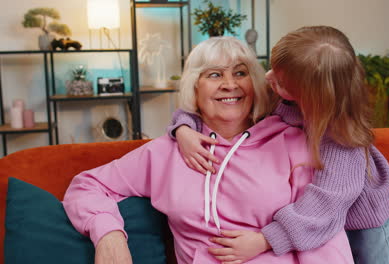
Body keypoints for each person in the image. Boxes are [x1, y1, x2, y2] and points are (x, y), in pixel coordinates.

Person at [170, 26, 389, 264]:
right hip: (325, 226)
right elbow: (219, 104)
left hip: (366, 219)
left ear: (311, 96)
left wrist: (263, 240)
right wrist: (183, 127)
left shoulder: (341, 142)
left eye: (278, 80)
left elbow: (322, 208)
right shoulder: (282, 92)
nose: (268, 78)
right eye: (272, 68)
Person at [62, 36, 354, 264]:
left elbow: (322, 232)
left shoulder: (294, 142)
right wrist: (109, 235)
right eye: (214, 75)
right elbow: (87, 186)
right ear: (194, 88)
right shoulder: (165, 152)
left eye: (240, 73)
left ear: (255, 84)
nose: (229, 84)